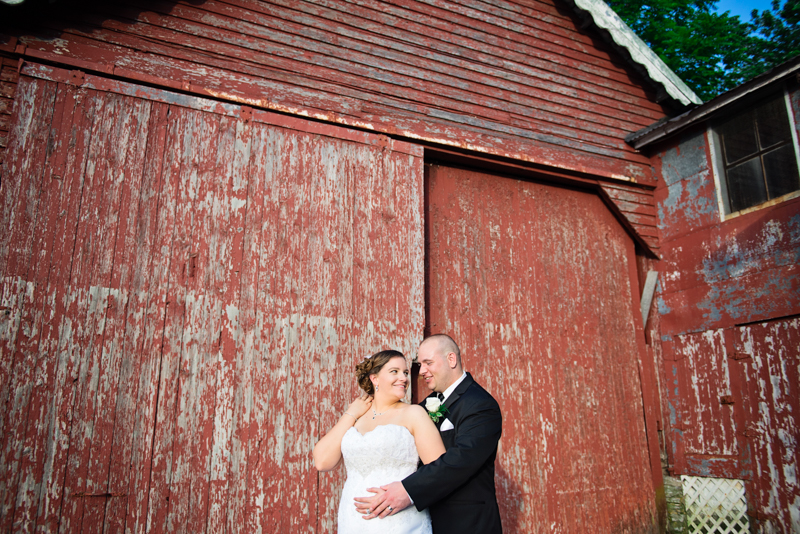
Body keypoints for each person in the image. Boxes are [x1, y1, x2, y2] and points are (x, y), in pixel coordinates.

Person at [354, 334, 503, 534]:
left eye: (428, 363)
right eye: (420, 364)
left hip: (465, 523)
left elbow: (461, 460)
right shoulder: (426, 405)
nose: (422, 371)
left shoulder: (480, 405)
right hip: (421, 520)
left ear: (451, 359)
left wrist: (407, 490)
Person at [313, 349, 445, 533]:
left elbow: (440, 469)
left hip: (398, 520)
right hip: (353, 520)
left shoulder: (413, 413)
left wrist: (408, 494)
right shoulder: (357, 418)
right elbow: (321, 462)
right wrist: (350, 413)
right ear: (374, 378)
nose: (404, 378)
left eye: (405, 372)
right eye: (394, 371)